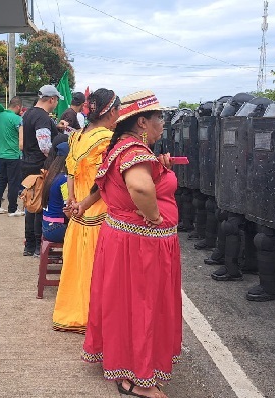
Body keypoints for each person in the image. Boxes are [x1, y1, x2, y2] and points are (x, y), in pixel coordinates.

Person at [82, 90, 180, 398]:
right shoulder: (134, 152)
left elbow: (107, 184)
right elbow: (138, 186)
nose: (162, 124)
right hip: (140, 245)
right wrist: (153, 217)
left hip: (125, 241)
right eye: (159, 118)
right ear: (142, 122)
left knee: (126, 304)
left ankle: (125, 366)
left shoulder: (123, 148)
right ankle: (139, 380)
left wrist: (158, 168)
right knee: (143, 306)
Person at [52, 88, 120, 333]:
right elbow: (105, 182)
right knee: (97, 270)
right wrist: (84, 204)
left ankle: (72, 314)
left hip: (77, 213)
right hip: (97, 212)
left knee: (77, 267)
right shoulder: (107, 139)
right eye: (118, 110)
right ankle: (92, 317)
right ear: (111, 111)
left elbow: (70, 171)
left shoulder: (78, 136)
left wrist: (71, 201)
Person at [21, 84, 68, 255]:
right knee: (40, 205)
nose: (56, 104)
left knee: (30, 204)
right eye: (56, 101)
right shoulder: (42, 117)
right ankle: (37, 246)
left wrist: (57, 129)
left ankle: (30, 245)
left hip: (27, 164)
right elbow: (45, 146)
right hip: (40, 166)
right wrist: (58, 156)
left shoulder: (28, 114)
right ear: (52, 99)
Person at [0, 97, 25, 216]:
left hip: (1, 154)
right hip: (13, 155)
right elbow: (21, 138)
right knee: (13, 182)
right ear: (18, 107)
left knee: (2, 179)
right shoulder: (17, 119)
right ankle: (12, 209)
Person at [40, 142, 70, 243]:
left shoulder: (51, 176)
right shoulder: (64, 180)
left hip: (46, 225)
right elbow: (68, 209)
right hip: (57, 228)